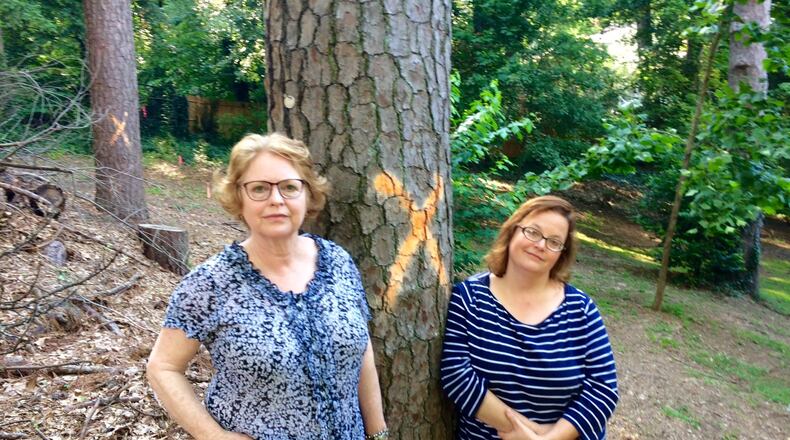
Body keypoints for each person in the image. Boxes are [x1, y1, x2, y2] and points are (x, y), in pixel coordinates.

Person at [146, 133, 388, 440]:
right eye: (259, 188)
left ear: (308, 194)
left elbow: (360, 349)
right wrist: (215, 437)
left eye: (289, 187)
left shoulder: (338, 262)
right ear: (239, 197)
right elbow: (162, 368)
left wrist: (378, 432)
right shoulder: (211, 283)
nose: (276, 199)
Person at [440, 196, 618, 440]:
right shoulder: (469, 298)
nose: (541, 245)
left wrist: (549, 439)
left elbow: (603, 389)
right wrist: (527, 433)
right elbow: (456, 374)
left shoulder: (581, 308)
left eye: (554, 241)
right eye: (533, 232)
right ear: (513, 230)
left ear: (562, 254)